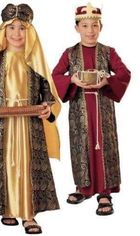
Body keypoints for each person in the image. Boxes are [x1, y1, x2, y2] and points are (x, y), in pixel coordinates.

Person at [0, 3, 61, 234]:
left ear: (30, 31)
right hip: (3, 122)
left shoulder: (35, 59)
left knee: (28, 165)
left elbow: (48, 91)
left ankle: (29, 215)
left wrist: (47, 108)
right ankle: (8, 208)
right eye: (12, 28)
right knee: (7, 164)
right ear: (3, 31)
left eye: (22, 28)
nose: (17, 33)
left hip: (30, 123)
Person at [52, 2, 131, 216]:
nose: (90, 31)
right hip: (79, 110)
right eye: (85, 26)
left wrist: (106, 81)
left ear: (101, 28)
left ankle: (105, 191)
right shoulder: (69, 53)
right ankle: (83, 188)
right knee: (82, 145)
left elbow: (124, 73)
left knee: (103, 146)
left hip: (103, 108)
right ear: (77, 28)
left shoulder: (108, 52)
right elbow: (55, 76)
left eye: (95, 26)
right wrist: (73, 80)